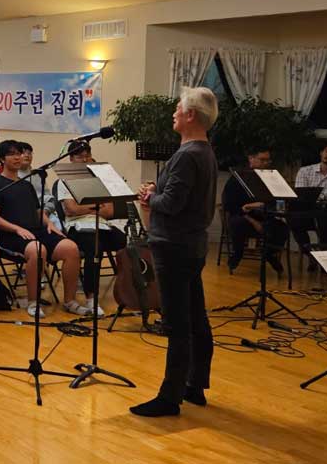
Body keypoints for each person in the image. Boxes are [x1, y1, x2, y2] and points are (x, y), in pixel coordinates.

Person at [130, 87, 219, 418]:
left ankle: (170, 397)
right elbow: (181, 195)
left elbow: (172, 204)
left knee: (178, 323)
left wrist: (149, 198)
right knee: (196, 317)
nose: (174, 113)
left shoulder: (186, 154)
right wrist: (158, 190)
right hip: (192, 244)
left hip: (173, 246)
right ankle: (195, 385)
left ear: (190, 115)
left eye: (178, 108)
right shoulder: (204, 151)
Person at [0, 140, 82, 317]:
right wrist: (16, 229)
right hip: (11, 236)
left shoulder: (26, 184)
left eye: (19, 153)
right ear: (2, 159)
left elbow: (38, 212)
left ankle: (70, 301)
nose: (18, 157)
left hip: (35, 231)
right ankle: (33, 302)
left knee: (71, 248)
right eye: (12, 154)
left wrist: (49, 224)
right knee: (38, 250)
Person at [56, 141, 126, 316]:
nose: (84, 159)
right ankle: (91, 298)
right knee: (94, 248)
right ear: (71, 159)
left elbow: (109, 211)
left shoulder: (100, 179)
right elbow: (71, 210)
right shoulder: (65, 180)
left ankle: (127, 290)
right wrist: (96, 207)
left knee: (123, 241)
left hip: (102, 225)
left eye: (87, 156)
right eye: (79, 156)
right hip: (78, 226)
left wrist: (86, 207)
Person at [222, 146, 290, 273]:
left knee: (283, 228)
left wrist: (279, 206)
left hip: (265, 216)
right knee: (238, 223)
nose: (266, 163)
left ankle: (269, 254)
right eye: (262, 160)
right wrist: (252, 219)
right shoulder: (238, 178)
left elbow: (277, 202)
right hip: (243, 216)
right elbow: (229, 204)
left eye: (268, 160)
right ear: (251, 159)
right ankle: (237, 254)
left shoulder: (271, 178)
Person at [290, 143, 327, 252]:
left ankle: (325, 255)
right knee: (293, 219)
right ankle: (309, 253)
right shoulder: (305, 171)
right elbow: (301, 194)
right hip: (307, 211)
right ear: (321, 153)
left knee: (326, 218)